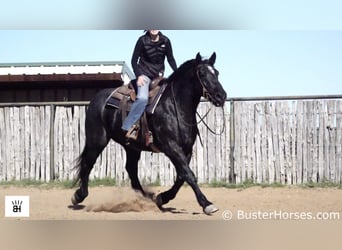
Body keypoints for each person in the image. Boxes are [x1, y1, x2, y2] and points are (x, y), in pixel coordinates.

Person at [121, 30, 177, 140]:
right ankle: (129, 126)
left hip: (159, 77)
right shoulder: (142, 40)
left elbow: (170, 59)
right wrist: (139, 76)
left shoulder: (166, 41)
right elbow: (133, 60)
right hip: (144, 75)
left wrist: (177, 73)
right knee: (142, 98)